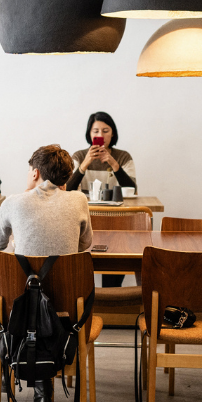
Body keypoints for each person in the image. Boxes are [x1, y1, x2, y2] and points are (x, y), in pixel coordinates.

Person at [0, 144, 92, 402]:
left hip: (19, 313)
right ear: (66, 177)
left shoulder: (14, 201)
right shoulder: (79, 200)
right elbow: (85, 245)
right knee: (47, 298)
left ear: (35, 173)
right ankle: (41, 394)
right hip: (67, 313)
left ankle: (9, 367)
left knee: (25, 295)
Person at [66, 111, 136, 288]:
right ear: (89, 134)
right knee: (80, 264)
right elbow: (66, 190)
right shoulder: (79, 156)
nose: (101, 136)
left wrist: (114, 164)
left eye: (105, 131)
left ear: (113, 133)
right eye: (96, 131)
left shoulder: (123, 157)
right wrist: (85, 164)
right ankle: (84, 297)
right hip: (87, 219)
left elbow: (132, 190)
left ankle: (110, 296)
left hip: (116, 220)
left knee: (113, 263)